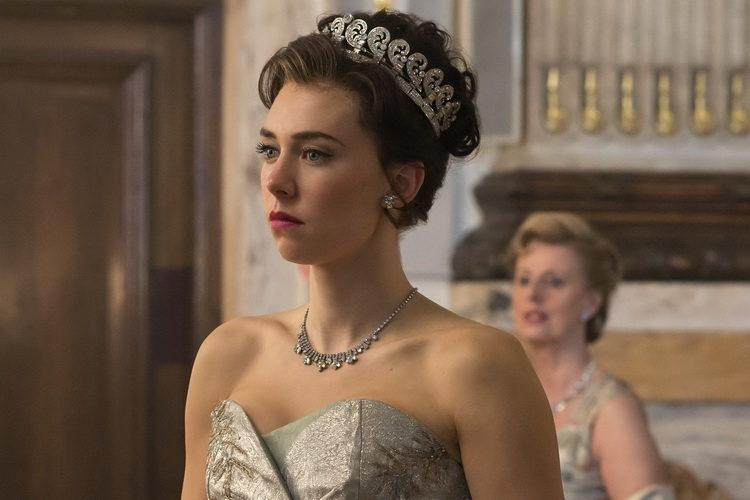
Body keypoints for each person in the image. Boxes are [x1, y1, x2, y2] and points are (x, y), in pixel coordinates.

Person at [182, 9, 564, 500]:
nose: (277, 181)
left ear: (401, 184)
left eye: (315, 153)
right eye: (270, 150)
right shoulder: (229, 354)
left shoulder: (475, 366)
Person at [507, 212, 675, 500]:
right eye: (524, 280)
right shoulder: (501, 393)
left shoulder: (612, 409)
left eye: (554, 282)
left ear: (590, 302)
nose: (533, 294)